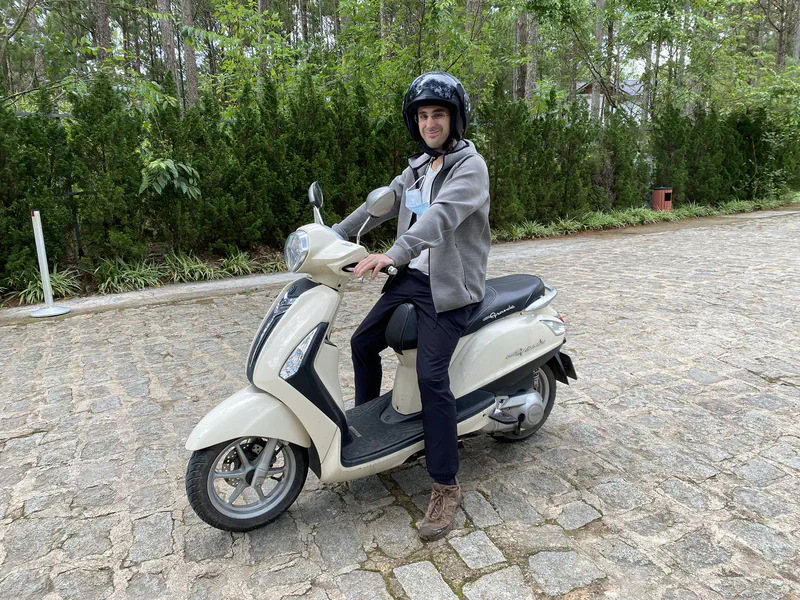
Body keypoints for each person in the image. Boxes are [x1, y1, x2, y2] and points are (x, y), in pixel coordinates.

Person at [331, 72, 491, 541]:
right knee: (362, 343)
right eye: (422, 116)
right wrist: (335, 233)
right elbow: (379, 204)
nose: (429, 123)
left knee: (430, 376)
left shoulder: (470, 168)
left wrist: (392, 254)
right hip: (412, 280)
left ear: (454, 119)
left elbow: (440, 218)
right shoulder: (418, 167)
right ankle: (371, 435)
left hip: (449, 287)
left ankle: (445, 485)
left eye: (437, 114)